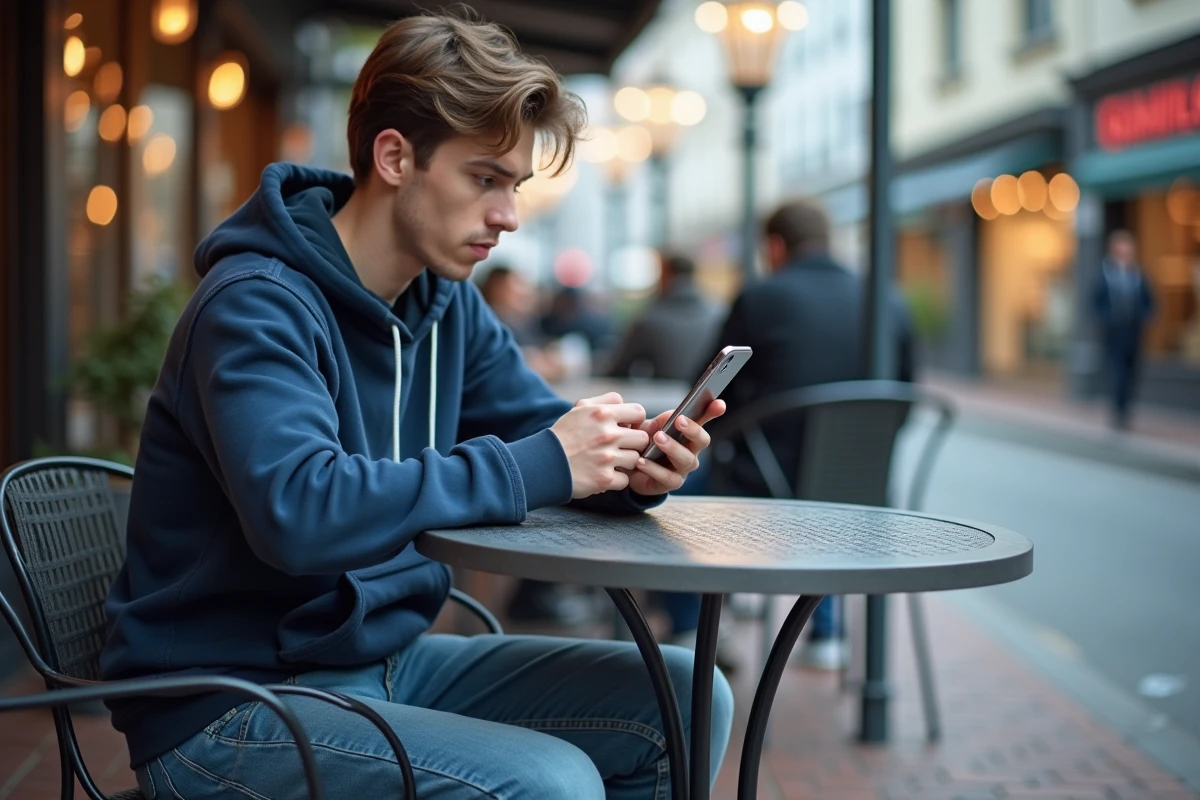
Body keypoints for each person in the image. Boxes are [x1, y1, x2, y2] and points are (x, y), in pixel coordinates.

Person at [100, 13, 733, 799]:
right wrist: (541, 461)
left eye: (517, 186)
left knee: (685, 696)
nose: (508, 215)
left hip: (385, 663)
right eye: (485, 178)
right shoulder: (255, 306)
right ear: (395, 156)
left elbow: (539, 440)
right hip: (228, 704)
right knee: (550, 784)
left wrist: (628, 470)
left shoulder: (444, 306)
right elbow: (299, 511)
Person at [709, 198, 915, 671]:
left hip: (768, 493)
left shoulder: (761, 297)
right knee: (827, 500)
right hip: (866, 495)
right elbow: (902, 398)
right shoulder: (888, 297)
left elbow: (711, 390)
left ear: (776, 246)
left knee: (673, 495)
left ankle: (691, 626)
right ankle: (827, 633)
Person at [606, 252, 737, 667]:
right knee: (672, 480)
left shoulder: (650, 318)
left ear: (664, 275)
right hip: (742, 458)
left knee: (671, 502)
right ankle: (826, 634)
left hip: (719, 464)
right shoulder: (719, 312)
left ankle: (683, 619)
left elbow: (618, 368)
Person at [1092, 229, 1155, 430]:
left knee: (1131, 374)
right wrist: (1106, 319)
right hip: (1113, 334)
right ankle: (1117, 411)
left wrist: (1145, 317)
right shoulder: (1105, 274)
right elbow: (1094, 302)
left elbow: (1149, 301)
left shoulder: (1138, 275)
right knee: (1117, 373)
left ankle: (1125, 410)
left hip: (1133, 333)